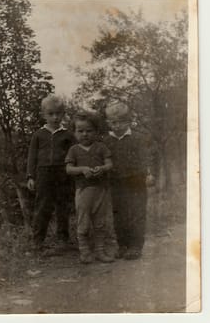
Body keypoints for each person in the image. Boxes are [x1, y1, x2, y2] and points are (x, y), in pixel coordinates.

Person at [103, 102, 154, 260]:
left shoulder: (138, 138)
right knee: (119, 215)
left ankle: (135, 246)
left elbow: (147, 157)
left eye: (120, 122)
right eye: (112, 122)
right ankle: (123, 245)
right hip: (116, 183)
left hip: (136, 182)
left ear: (128, 121)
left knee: (136, 213)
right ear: (108, 123)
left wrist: (149, 174)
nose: (116, 126)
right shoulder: (107, 141)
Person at [65, 111, 116, 264]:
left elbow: (110, 164)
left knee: (100, 222)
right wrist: (82, 169)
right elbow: (68, 169)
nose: (85, 134)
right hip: (83, 191)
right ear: (74, 132)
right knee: (83, 222)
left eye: (89, 131)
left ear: (96, 131)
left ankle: (100, 251)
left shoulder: (100, 147)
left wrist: (102, 168)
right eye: (80, 131)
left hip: (101, 190)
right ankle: (85, 252)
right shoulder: (74, 150)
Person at [27, 95, 75, 251]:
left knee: (63, 206)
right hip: (43, 174)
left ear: (63, 114)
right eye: (51, 114)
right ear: (44, 115)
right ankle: (37, 241)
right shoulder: (38, 135)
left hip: (63, 174)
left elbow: (74, 154)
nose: (55, 117)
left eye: (58, 113)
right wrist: (30, 176)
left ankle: (63, 240)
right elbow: (32, 157)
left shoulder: (67, 134)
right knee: (42, 207)